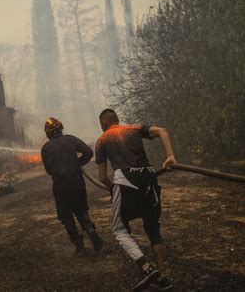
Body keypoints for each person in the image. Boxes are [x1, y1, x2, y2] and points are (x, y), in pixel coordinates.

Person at [95, 109, 175, 291]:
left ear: (105, 124)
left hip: (124, 180)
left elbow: (102, 177)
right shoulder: (134, 128)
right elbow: (162, 131)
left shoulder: (102, 140)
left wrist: (114, 189)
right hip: (148, 177)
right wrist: (170, 156)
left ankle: (146, 267)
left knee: (119, 229)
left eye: (101, 126)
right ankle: (162, 276)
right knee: (153, 226)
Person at [41, 117, 103, 254]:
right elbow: (88, 152)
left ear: (48, 133)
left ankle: (79, 247)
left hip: (60, 187)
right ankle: (90, 230)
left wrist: (61, 169)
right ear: (61, 129)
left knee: (66, 216)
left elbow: (49, 170)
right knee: (81, 210)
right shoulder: (71, 139)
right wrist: (77, 163)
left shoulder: (45, 148)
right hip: (77, 184)